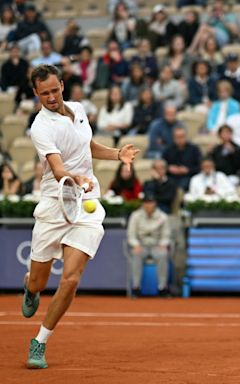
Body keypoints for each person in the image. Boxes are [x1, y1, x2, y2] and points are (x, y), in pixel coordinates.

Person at [23, 64, 139, 369]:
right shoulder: (41, 127)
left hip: (86, 202)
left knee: (72, 279)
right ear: (36, 94)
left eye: (54, 90)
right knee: (38, 281)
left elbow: (86, 146)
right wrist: (75, 177)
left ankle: (40, 342)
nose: (50, 97)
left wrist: (117, 155)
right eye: (43, 93)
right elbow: (58, 168)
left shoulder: (78, 108)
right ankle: (30, 287)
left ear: (62, 84)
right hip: (54, 204)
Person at [127, 194, 171, 297]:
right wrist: (136, 244)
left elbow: (166, 234)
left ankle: (162, 288)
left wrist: (163, 244)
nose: (148, 205)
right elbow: (131, 234)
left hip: (156, 245)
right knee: (136, 254)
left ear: (155, 204)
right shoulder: (135, 215)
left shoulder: (163, 216)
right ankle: (136, 287)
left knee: (163, 254)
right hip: (141, 245)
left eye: (150, 202)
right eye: (146, 203)